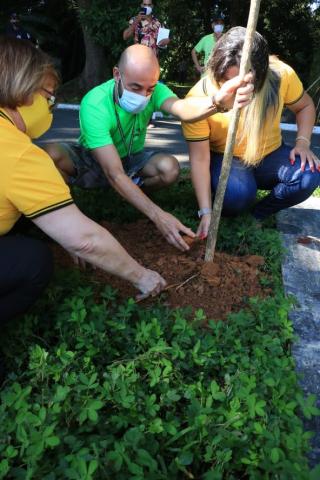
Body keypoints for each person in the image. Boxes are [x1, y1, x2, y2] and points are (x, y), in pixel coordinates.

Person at [0, 36, 167, 323]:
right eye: (49, 96)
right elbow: (86, 241)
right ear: (23, 92)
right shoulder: (20, 154)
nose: (52, 105)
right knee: (33, 261)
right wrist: (142, 276)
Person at [44, 44, 254, 252]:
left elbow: (182, 109)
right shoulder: (95, 103)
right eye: (135, 87)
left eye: (150, 89)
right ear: (117, 74)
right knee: (50, 155)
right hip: (93, 160)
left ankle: (130, 197)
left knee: (169, 167)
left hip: (130, 158)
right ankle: (67, 213)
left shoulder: (155, 90)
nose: (144, 95)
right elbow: (114, 173)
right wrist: (158, 215)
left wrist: (217, 102)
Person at [182, 27, 320, 239]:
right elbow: (199, 159)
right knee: (236, 196)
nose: (236, 90)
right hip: (227, 159)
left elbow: (305, 106)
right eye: (227, 81)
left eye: (244, 82)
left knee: (308, 175)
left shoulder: (281, 74)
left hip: (270, 155)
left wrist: (302, 143)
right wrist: (206, 211)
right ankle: (236, 195)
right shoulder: (197, 100)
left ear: (262, 74)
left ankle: (257, 215)